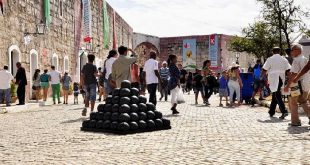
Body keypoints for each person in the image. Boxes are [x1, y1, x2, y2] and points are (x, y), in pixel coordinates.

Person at [284, 43, 310, 126]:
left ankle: (295, 121)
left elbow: (294, 74)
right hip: (306, 83)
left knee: (293, 102)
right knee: (303, 101)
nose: (291, 52)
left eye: (292, 50)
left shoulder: (297, 60)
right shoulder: (305, 59)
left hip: (297, 84)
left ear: (297, 50)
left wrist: (287, 86)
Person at [261, 47, 290, 119]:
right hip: (281, 78)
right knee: (275, 94)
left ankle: (284, 111)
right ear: (279, 52)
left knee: (277, 95)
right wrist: (289, 79)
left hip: (274, 78)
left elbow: (264, 69)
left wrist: (261, 77)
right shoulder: (284, 59)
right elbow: (288, 70)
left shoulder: (270, 59)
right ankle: (271, 111)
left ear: (272, 52)